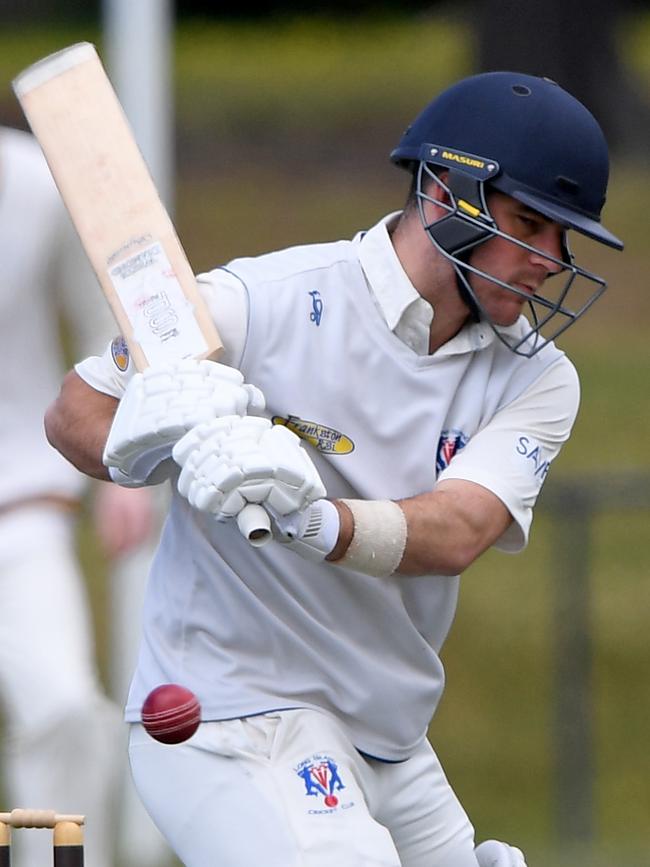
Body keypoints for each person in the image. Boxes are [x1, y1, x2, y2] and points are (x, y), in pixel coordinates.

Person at [43, 72, 623, 867]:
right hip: (228, 718)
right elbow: (75, 411)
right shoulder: (262, 301)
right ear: (449, 192)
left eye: (565, 235)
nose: (552, 260)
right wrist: (154, 435)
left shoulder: (538, 376)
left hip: (391, 741)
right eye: (531, 223)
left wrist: (309, 515)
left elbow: (459, 528)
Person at [0, 125, 172, 867]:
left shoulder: (33, 181)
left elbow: (112, 325)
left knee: (68, 711)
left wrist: (124, 461)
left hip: (19, 505)